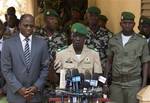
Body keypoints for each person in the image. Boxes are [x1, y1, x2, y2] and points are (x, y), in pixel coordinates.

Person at [1, 14, 49, 103]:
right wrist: (19, 88)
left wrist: (36, 86)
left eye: (31, 26)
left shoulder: (42, 44)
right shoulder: (8, 44)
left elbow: (45, 68)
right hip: (15, 96)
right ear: (19, 25)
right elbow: (6, 69)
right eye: (25, 25)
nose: (29, 28)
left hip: (35, 96)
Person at [106, 11, 150, 103]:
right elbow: (109, 62)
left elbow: (145, 63)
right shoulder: (113, 40)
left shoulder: (141, 41)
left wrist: (143, 85)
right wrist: (105, 82)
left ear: (134, 24)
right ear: (120, 24)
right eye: (125, 23)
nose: (127, 25)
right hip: (116, 84)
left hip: (134, 85)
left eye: (130, 23)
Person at [138, 16, 150, 84]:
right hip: (137, 75)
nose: (142, 29)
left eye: (145, 27)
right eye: (140, 27)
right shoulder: (134, 39)